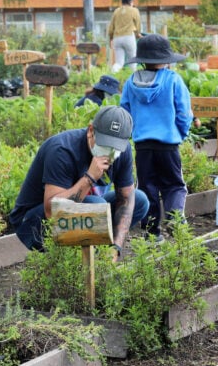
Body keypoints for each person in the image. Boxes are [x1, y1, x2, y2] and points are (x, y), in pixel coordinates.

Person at [9, 105, 149, 259]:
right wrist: (89, 178)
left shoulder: (123, 151)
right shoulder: (62, 150)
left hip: (80, 211)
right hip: (33, 222)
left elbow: (126, 200)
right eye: (104, 144)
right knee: (95, 206)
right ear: (90, 131)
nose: (110, 152)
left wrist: (115, 247)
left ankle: (102, 257)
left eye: (115, 147)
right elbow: (51, 211)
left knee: (139, 200)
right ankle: (80, 262)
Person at [120, 34, 194, 241]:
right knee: (174, 185)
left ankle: (152, 234)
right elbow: (184, 113)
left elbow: (124, 112)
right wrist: (180, 132)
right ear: (166, 59)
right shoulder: (173, 80)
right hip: (168, 145)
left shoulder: (130, 83)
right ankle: (175, 221)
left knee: (147, 188)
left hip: (143, 145)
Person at [108, 0, 141, 72]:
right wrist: (138, 34)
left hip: (117, 38)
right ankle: (133, 80)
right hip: (129, 37)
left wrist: (111, 38)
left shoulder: (116, 11)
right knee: (132, 61)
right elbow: (138, 25)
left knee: (119, 63)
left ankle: (112, 74)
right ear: (131, 1)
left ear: (122, 1)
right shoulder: (134, 10)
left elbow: (111, 27)